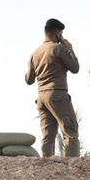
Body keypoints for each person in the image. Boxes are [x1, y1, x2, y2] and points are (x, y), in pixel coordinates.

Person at [25, 18, 80, 157]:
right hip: (57, 95)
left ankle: (47, 164)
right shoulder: (59, 48)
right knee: (70, 132)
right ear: (58, 33)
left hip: (41, 97)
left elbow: (28, 80)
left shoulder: (35, 53)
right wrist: (70, 50)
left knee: (48, 136)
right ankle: (73, 165)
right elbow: (75, 68)